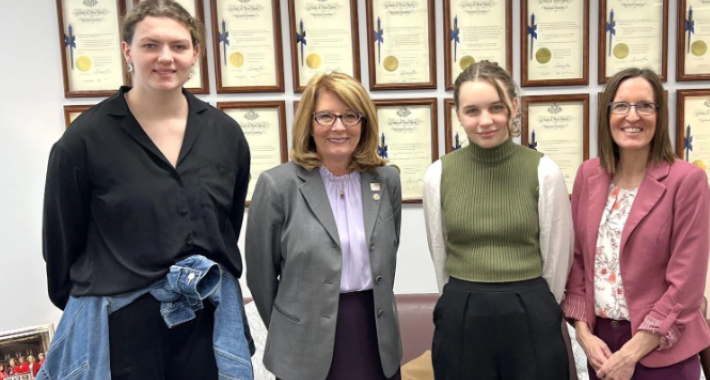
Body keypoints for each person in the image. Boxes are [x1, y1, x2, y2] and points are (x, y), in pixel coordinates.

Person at [41, 1, 253, 379]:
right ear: (128, 52)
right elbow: (61, 245)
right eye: (150, 45)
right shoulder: (83, 141)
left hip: (206, 321)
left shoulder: (226, 135)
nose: (165, 58)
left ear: (196, 54)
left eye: (179, 46)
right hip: (123, 327)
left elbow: (227, 225)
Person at [246, 72, 402, 380]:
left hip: (374, 336)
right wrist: (293, 327)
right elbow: (261, 278)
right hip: (304, 345)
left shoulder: (386, 181)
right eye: (326, 116)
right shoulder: (278, 186)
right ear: (309, 123)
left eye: (350, 116)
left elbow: (388, 253)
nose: (339, 126)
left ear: (364, 122)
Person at [423, 60, 573, 379]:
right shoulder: (438, 175)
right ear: (458, 114)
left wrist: (539, 307)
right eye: (472, 111)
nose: (485, 121)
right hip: (461, 311)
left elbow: (558, 256)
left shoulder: (544, 171)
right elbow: (440, 251)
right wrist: (460, 300)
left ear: (514, 107)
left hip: (531, 309)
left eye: (496, 107)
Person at [561, 68, 710, 380]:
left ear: (659, 115)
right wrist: (584, 336)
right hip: (600, 345)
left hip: (662, 350)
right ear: (607, 114)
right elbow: (576, 263)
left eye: (645, 105)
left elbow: (687, 283)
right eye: (621, 105)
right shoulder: (588, 175)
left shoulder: (687, 181)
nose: (632, 116)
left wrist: (632, 351)